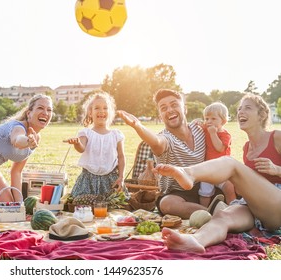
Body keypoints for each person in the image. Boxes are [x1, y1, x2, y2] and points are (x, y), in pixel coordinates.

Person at [158, 93, 281, 253]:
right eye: (239, 109)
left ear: (262, 115)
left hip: (277, 204)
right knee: (223, 217)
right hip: (255, 208)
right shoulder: (246, 148)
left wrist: (277, 169)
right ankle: (195, 241)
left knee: (230, 163)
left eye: (247, 108)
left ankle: (188, 173)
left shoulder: (276, 137)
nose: (240, 112)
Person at [118, 89, 223, 219]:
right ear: (160, 116)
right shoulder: (166, 139)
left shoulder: (200, 129)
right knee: (167, 204)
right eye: (163, 108)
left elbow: (222, 138)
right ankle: (217, 213)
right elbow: (156, 142)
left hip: (205, 187)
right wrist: (138, 126)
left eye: (174, 105)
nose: (169, 110)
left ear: (185, 109)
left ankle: (216, 210)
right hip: (177, 194)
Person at [64, 91, 128, 197]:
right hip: (88, 180)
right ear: (90, 113)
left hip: (111, 179)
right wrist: (77, 143)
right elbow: (81, 148)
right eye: (97, 108)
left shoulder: (116, 134)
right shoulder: (86, 133)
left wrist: (121, 176)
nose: (101, 111)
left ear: (110, 112)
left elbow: (121, 156)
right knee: (83, 205)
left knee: (114, 206)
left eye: (105, 108)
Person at [197, 102, 236, 206]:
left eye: (213, 119)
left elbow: (219, 148)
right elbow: (197, 126)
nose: (209, 121)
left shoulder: (225, 135)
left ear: (223, 121)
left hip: (222, 170)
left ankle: (233, 208)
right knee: (204, 192)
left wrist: (213, 133)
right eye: (206, 118)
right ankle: (204, 210)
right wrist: (197, 122)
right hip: (208, 168)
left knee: (229, 188)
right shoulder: (206, 129)